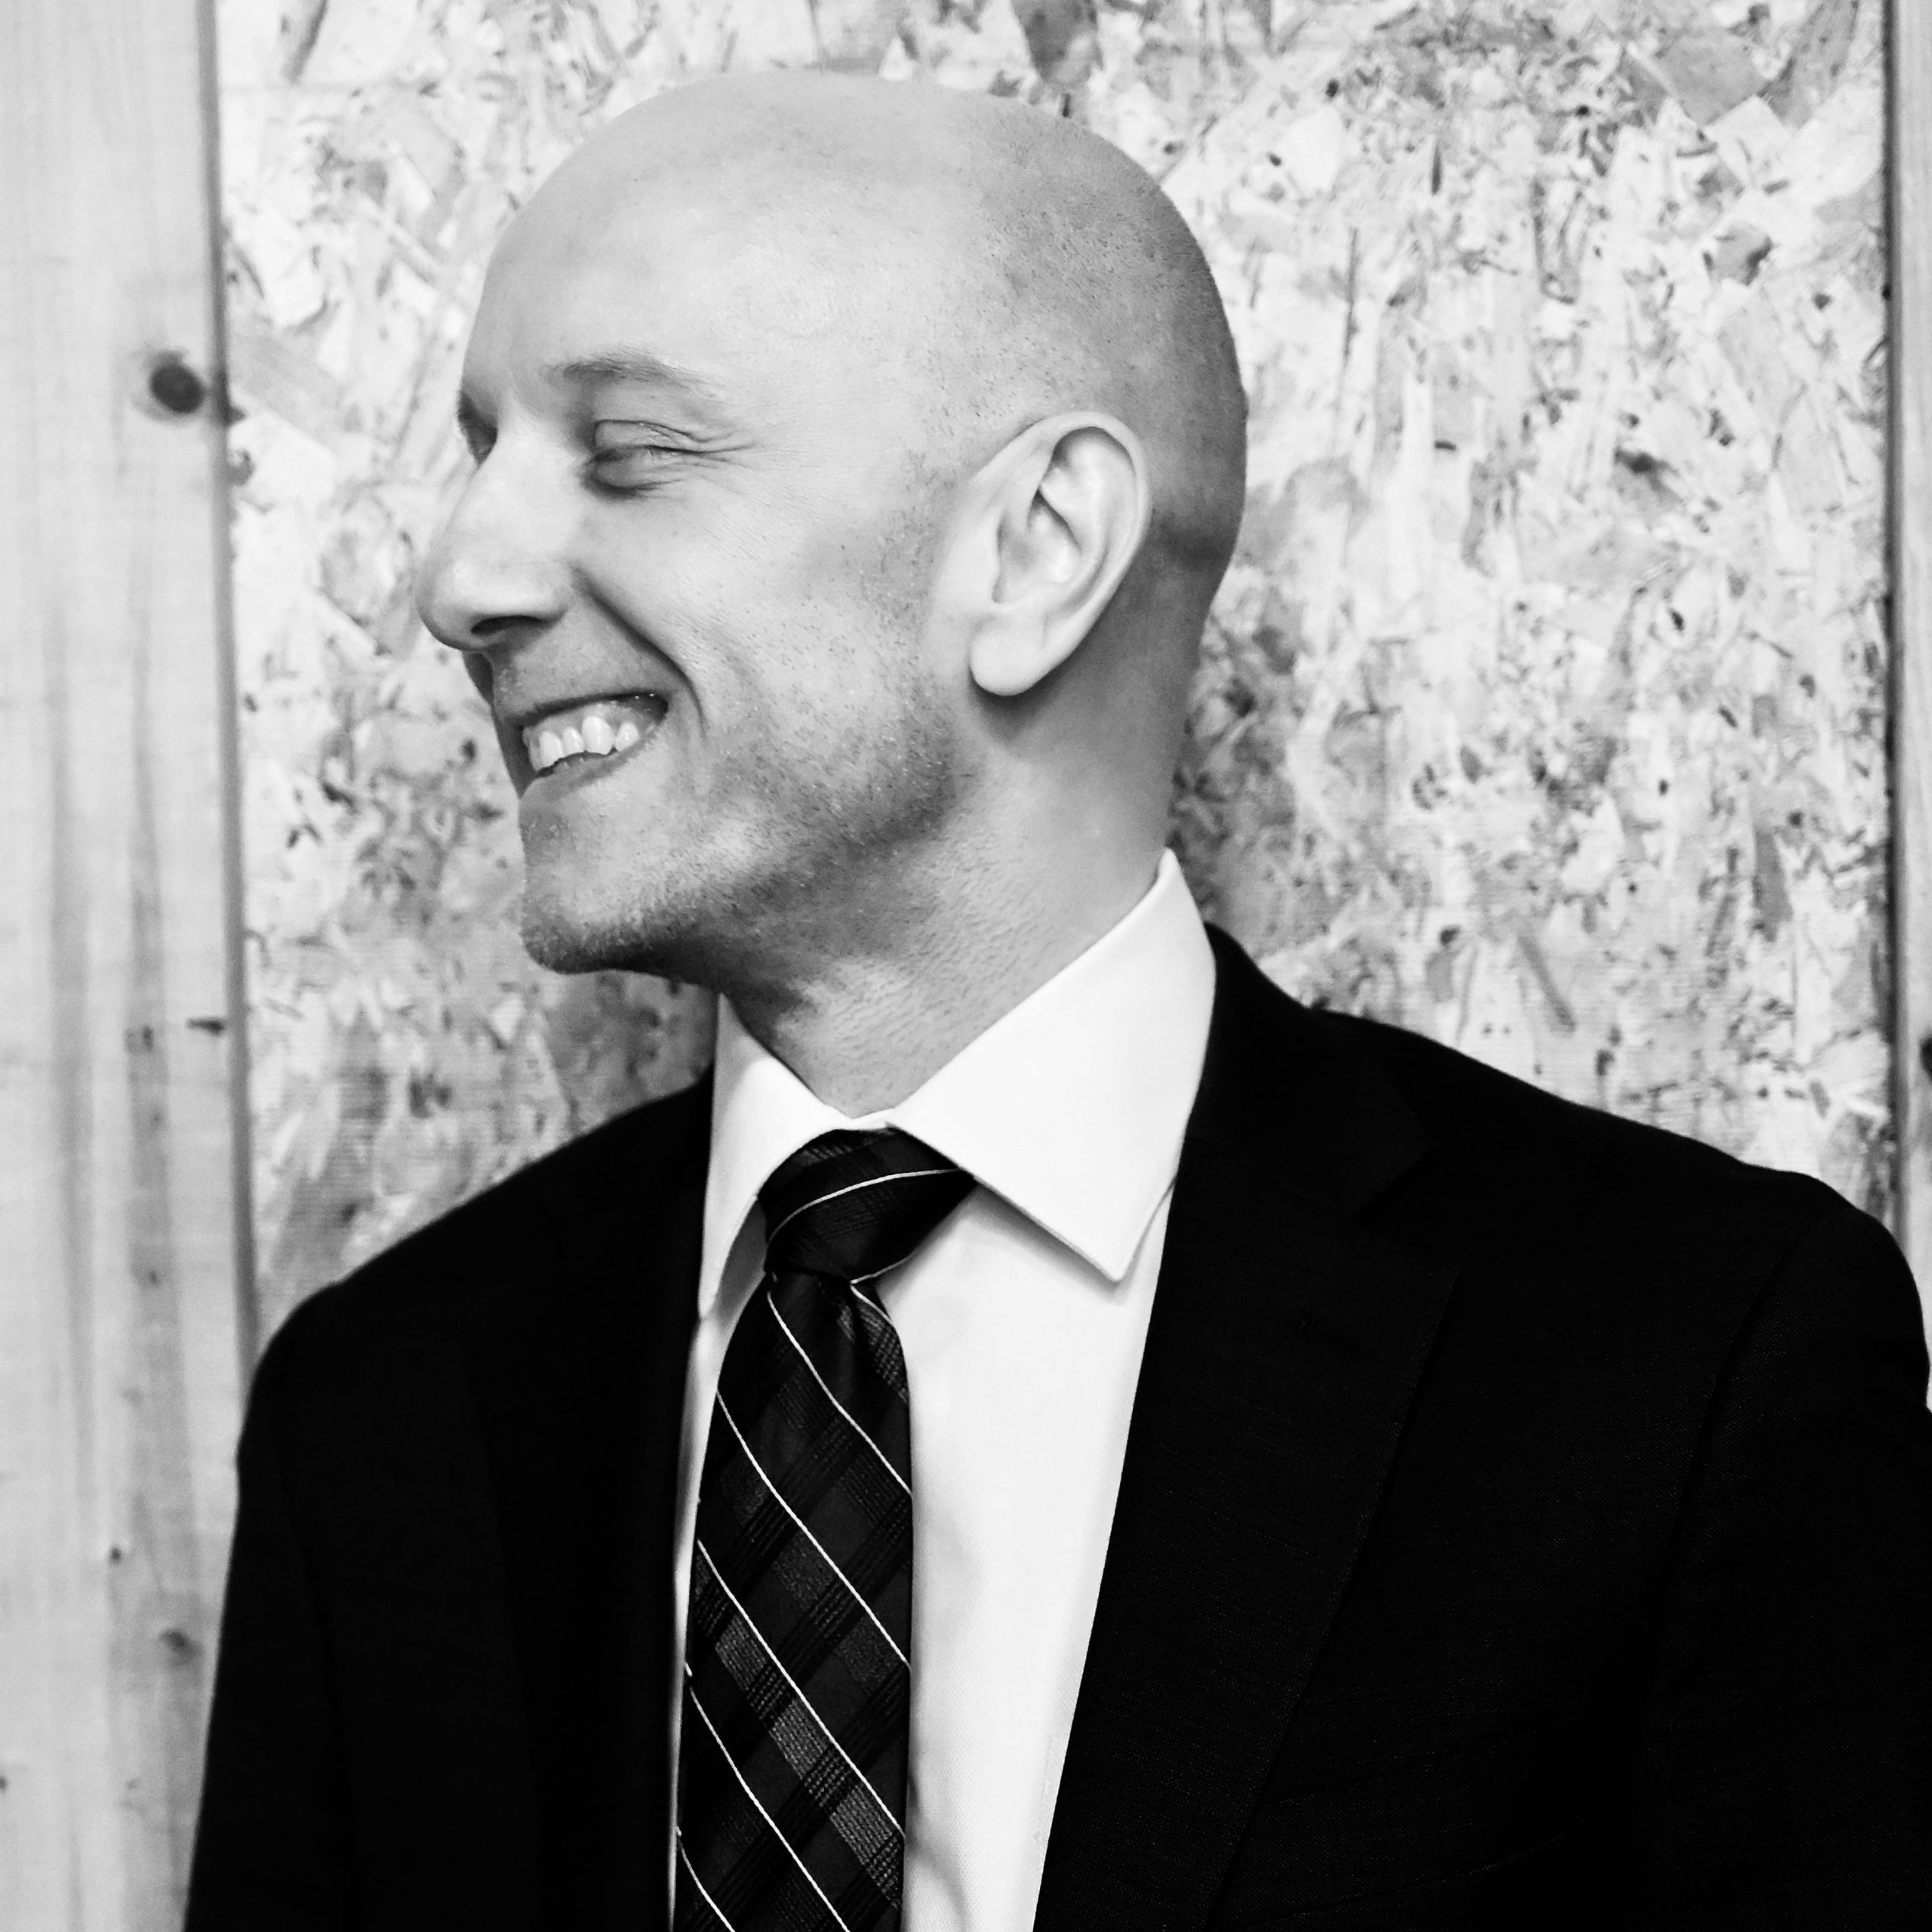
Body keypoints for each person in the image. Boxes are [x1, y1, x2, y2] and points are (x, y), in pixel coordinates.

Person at [185, 70, 1932, 1932]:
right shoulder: (384, 1415)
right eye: (480, 455)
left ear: (1033, 550)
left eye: (629, 452)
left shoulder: (1681, 1367)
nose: (457, 580)